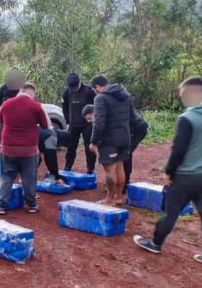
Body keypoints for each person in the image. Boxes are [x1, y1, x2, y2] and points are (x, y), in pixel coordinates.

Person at [133, 77, 202, 268]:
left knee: (171, 211)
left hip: (187, 175)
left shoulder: (188, 118)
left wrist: (170, 171)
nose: (182, 99)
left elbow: (179, 150)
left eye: (183, 94)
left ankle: (155, 243)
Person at [0, 82, 49, 214]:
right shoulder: (36, 106)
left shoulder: (6, 104)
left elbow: (1, 121)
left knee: (6, 177)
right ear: (32, 93)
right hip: (28, 150)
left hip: (7, 148)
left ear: (20, 91)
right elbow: (45, 126)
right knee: (29, 177)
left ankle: (1, 206)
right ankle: (31, 205)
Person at [89, 75, 135, 206]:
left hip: (109, 141)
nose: (95, 92)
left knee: (110, 170)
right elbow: (132, 117)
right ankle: (119, 197)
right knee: (119, 167)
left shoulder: (101, 98)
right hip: (124, 138)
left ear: (97, 86)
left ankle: (109, 199)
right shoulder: (125, 95)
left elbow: (99, 123)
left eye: (94, 89)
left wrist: (94, 142)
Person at [83, 103, 149, 194]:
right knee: (122, 153)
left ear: (94, 113)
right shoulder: (103, 113)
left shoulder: (104, 115)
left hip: (137, 128)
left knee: (126, 154)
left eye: (90, 118)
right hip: (127, 128)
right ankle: (120, 185)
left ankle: (124, 186)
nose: (90, 121)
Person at [62, 73, 97, 174]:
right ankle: (68, 166)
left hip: (88, 124)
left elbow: (97, 106)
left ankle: (90, 169)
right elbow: (65, 107)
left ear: (79, 82)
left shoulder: (89, 91)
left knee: (89, 147)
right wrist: (67, 122)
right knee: (71, 146)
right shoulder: (67, 93)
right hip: (73, 124)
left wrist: (94, 120)